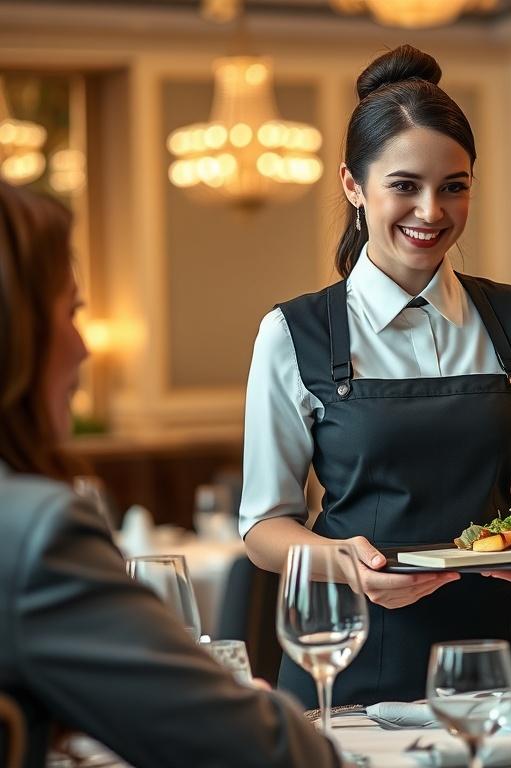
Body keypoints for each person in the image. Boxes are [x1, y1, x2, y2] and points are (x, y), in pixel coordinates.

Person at [240, 44, 511, 707]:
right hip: (348, 655)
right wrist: (345, 562)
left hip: (504, 665)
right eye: (404, 186)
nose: (431, 212)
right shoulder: (293, 334)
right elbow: (265, 528)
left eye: (454, 186)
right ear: (354, 185)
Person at [0, 181, 340, 768]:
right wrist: (241, 705)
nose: (84, 347)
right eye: (71, 310)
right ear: (16, 338)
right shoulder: (34, 535)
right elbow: (274, 755)